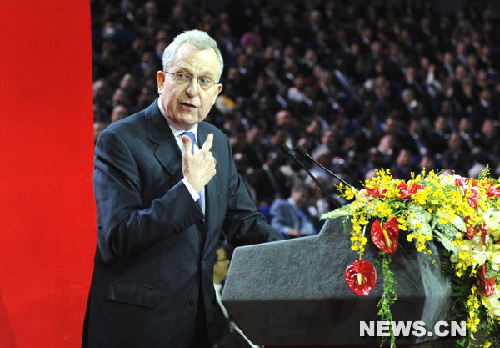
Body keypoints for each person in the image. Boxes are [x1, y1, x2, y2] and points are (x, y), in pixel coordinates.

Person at [82, 29, 283, 348]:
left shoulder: (216, 142)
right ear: (162, 81)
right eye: (183, 76)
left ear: (216, 92)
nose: (193, 90)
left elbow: (246, 225)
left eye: (204, 81)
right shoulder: (120, 140)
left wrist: (302, 252)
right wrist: (189, 188)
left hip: (200, 324)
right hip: (138, 329)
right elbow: (117, 239)